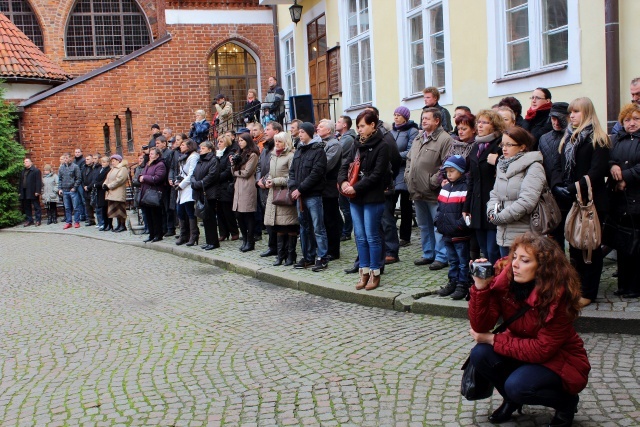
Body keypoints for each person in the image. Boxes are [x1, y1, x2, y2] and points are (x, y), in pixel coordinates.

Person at [468, 232, 590, 427]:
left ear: (542, 268)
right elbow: (481, 326)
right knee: (480, 354)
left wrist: (493, 340)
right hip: (521, 347)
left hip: (558, 359)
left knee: (518, 386)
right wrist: (480, 288)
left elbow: (541, 350)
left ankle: (566, 402)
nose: (514, 264)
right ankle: (511, 399)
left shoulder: (558, 297)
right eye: (514, 257)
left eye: (524, 260)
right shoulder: (506, 281)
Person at [552, 97, 611, 308]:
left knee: (590, 246)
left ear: (586, 113)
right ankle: (576, 288)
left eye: (576, 111)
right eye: (571, 112)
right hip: (571, 199)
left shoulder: (598, 138)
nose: (572, 116)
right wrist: (558, 185)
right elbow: (558, 165)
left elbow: (596, 172)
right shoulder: (568, 138)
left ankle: (589, 291)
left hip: (590, 201)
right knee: (574, 247)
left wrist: (572, 187)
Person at [338, 110, 390, 290]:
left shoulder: (382, 145)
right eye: (358, 126)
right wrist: (343, 181)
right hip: (355, 197)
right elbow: (345, 164)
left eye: (362, 126)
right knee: (359, 237)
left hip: (372, 197)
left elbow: (377, 175)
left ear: (372, 125)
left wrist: (356, 187)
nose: (359, 130)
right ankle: (364, 271)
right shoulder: (356, 143)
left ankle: (375, 273)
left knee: (372, 236)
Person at [405, 107, 452, 269]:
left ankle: (441, 256)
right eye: (422, 118)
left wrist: (432, 181)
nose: (423, 121)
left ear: (437, 121)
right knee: (423, 225)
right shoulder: (419, 138)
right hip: (416, 189)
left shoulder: (445, 139)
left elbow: (446, 164)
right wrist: (407, 175)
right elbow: (410, 160)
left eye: (427, 118)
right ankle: (428, 253)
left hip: (433, 191)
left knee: (438, 225)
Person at [487, 126, 546, 256]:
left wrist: (501, 217)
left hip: (524, 232)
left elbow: (527, 201)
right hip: (503, 232)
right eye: (503, 144)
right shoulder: (502, 165)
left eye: (509, 145)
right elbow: (495, 194)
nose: (504, 148)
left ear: (522, 146)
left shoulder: (534, 167)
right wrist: (492, 212)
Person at [606, 103, 640, 298]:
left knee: (637, 245)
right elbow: (610, 159)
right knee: (622, 243)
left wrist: (625, 176)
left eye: (636, 119)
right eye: (627, 120)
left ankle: (635, 286)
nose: (632, 123)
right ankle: (623, 284)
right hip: (620, 200)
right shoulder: (617, 139)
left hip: (637, 198)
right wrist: (612, 168)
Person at [463, 110, 504, 265]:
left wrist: (498, 161)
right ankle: (487, 280)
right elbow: (471, 179)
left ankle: (497, 280)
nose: (480, 125)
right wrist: (467, 205)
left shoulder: (499, 146)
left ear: (494, 125)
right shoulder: (476, 147)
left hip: (493, 203)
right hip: (477, 204)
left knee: (493, 249)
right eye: (479, 122)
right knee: (484, 249)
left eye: (485, 122)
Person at [288, 122, 329, 271]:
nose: (300, 134)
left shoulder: (318, 151)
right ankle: (308, 256)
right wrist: (293, 187)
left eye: (303, 132)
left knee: (318, 227)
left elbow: (316, 174)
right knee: (304, 227)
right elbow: (292, 172)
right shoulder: (299, 150)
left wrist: (300, 189)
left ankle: (322, 256)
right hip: (299, 196)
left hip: (313, 195)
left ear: (310, 133)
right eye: (299, 132)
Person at [435, 155, 472, 300]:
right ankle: (453, 281)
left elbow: (467, 212)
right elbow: (440, 208)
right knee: (452, 260)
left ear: (461, 171)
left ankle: (463, 284)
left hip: (459, 233)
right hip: (446, 232)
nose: (449, 174)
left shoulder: (465, 189)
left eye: (452, 171)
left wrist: (459, 225)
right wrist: (438, 221)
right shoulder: (445, 188)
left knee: (462, 261)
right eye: (447, 171)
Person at [264, 132, 298, 266]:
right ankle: (280, 255)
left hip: (285, 194)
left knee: (289, 225)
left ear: (286, 143)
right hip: (274, 194)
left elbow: (292, 176)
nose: (276, 144)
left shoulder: (290, 156)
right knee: (278, 226)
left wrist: (275, 181)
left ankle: (291, 255)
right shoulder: (273, 156)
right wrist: (266, 180)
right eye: (275, 141)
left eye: (279, 142)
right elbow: (270, 173)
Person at [538, 102, 570, 249]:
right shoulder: (544, 138)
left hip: (569, 191)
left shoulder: (572, 137)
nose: (556, 122)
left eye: (559, 118)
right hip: (551, 194)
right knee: (554, 239)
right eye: (553, 118)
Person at [390, 106, 419, 249]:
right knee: (389, 204)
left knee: (406, 206)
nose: (396, 117)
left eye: (399, 115)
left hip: (405, 171)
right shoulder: (392, 131)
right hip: (392, 172)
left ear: (405, 117)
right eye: (394, 115)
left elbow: (411, 151)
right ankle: (391, 235)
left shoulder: (412, 131)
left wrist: (394, 157)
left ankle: (405, 236)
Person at [317, 119, 343, 260]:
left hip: (329, 187)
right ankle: (324, 248)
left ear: (328, 130)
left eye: (321, 127)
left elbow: (325, 165)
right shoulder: (319, 142)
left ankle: (333, 251)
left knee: (331, 219)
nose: (318, 128)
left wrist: (314, 168)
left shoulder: (334, 145)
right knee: (323, 220)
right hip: (320, 187)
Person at [256, 121, 282, 257]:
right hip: (263, 187)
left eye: (268, 129)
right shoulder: (265, 148)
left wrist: (265, 180)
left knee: (276, 219)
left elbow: (276, 167)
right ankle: (272, 246)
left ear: (276, 131)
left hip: (273, 186)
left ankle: (279, 247)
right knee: (267, 218)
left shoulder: (277, 148)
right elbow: (259, 166)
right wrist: (259, 179)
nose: (265, 132)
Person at [232, 133, 260, 252]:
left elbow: (248, 172)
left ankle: (250, 240)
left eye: (242, 140)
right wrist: (233, 163)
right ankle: (244, 239)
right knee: (238, 214)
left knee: (247, 214)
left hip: (247, 185)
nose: (240, 142)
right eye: (239, 140)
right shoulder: (239, 154)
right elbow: (233, 170)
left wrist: (236, 172)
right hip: (238, 186)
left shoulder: (252, 155)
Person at [191, 140, 220, 250]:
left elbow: (212, 176)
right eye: (200, 148)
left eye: (203, 148)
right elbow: (194, 173)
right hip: (200, 192)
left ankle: (213, 242)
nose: (200, 150)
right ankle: (209, 241)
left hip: (209, 192)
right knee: (205, 218)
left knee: (210, 218)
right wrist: (194, 182)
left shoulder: (213, 160)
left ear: (209, 149)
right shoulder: (200, 161)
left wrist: (199, 183)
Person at [174, 138, 200, 246]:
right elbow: (182, 173)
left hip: (188, 188)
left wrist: (181, 185)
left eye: (183, 145)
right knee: (180, 211)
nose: (181, 146)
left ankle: (193, 234)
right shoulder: (185, 157)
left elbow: (191, 174)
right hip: (182, 188)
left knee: (189, 212)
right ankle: (184, 234)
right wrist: (177, 181)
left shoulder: (193, 157)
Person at [139, 147, 167, 243]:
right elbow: (142, 174)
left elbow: (158, 178)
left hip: (154, 193)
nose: (150, 155)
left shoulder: (160, 165)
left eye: (152, 153)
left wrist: (144, 178)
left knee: (156, 215)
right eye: (149, 153)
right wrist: (141, 177)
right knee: (148, 215)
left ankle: (158, 234)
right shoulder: (148, 164)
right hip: (145, 193)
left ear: (157, 155)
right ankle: (151, 234)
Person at [215, 135, 240, 242]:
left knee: (227, 211)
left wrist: (217, 177)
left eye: (221, 141)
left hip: (225, 185)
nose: (219, 143)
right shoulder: (216, 155)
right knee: (219, 212)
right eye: (218, 142)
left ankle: (234, 231)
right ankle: (223, 233)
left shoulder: (229, 154)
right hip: (217, 187)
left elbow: (228, 170)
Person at [336, 115, 357, 241]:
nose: (335, 123)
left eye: (338, 122)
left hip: (346, 176)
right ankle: (345, 230)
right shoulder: (341, 138)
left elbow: (338, 152)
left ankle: (347, 231)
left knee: (346, 205)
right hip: (342, 175)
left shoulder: (348, 139)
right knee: (343, 205)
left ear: (345, 125)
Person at [103, 154, 129, 233]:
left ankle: (122, 225)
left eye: (114, 161)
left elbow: (120, 180)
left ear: (118, 161)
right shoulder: (113, 169)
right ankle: (118, 225)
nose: (112, 162)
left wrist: (109, 186)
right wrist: (104, 185)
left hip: (118, 192)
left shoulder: (122, 169)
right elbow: (108, 178)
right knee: (115, 210)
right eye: (112, 161)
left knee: (120, 209)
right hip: (112, 193)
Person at [57, 153, 82, 229]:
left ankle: (77, 222)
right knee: (67, 207)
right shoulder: (61, 168)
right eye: (64, 158)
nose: (65, 160)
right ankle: (68, 222)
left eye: (67, 158)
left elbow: (78, 178)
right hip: (64, 190)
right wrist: (60, 188)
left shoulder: (75, 167)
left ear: (70, 158)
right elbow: (60, 179)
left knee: (76, 207)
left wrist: (75, 187)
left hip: (72, 190)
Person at [19, 158, 42, 226]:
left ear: (30, 163)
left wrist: (37, 191)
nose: (25, 163)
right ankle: (29, 220)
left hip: (33, 191)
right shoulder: (23, 171)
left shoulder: (36, 171)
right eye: (24, 162)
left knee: (36, 206)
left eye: (26, 161)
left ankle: (38, 220)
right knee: (27, 207)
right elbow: (20, 182)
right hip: (24, 191)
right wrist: (20, 191)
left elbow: (38, 182)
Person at [93, 156, 111, 231]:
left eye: (104, 162)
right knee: (102, 209)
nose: (102, 163)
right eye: (102, 162)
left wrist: (96, 185)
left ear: (108, 163)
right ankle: (104, 224)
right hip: (99, 191)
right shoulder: (101, 169)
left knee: (106, 208)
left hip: (104, 190)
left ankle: (108, 224)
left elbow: (105, 180)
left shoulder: (108, 170)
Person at [82, 154, 99, 226]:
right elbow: (82, 178)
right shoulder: (84, 168)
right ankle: (90, 219)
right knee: (87, 205)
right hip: (85, 189)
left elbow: (95, 179)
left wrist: (89, 187)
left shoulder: (94, 168)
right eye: (86, 159)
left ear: (92, 160)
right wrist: (84, 186)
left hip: (92, 189)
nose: (86, 160)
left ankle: (99, 221)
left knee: (95, 205)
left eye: (88, 159)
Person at [73, 148, 87, 222]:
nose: (77, 153)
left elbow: (81, 172)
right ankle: (82, 215)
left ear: (81, 153)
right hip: (76, 183)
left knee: (83, 200)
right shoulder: (74, 161)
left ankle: (86, 215)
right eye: (76, 152)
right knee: (78, 201)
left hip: (81, 183)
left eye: (78, 152)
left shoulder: (83, 161)